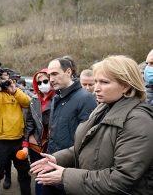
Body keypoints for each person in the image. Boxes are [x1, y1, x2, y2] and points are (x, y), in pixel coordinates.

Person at [31, 55, 153, 195]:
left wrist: (65, 176)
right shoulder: (103, 108)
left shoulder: (138, 121)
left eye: (104, 82)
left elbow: (122, 179)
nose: (96, 89)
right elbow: (86, 145)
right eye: (96, 82)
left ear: (125, 85)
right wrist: (58, 158)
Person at [45, 58, 97, 194]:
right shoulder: (57, 97)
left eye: (55, 74)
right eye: (49, 75)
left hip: (69, 174)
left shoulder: (85, 99)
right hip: (52, 165)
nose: (51, 79)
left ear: (68, 72)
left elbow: (88, 141)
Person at [0, 72, 32, 195]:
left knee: (24, 172)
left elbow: (29, 103)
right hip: (0, 141)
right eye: (3, 81)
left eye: (7, 80)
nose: (5, 83)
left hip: (18, 139)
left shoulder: (16, 93)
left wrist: (14, 91)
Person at [20, 68, 55, 195]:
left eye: (45, 81)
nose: (42, 85)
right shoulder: (34, 100)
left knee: (52, 178)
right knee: (40, 176)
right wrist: (25, 145)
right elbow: (29, 124)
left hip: (54, 146)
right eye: (39, 83)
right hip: (36, 146)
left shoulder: (59, 99)